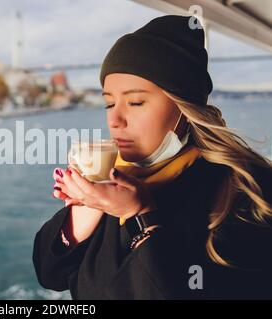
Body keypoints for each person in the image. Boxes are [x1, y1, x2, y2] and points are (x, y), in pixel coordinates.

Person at [32, 15, 272, 299]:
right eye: (109, 102)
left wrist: (141, 216)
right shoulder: (112, 178)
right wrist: (84, 213)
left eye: (135, 102)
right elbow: (50, 275)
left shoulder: (249, 190)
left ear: (184, 107)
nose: (115, 119)